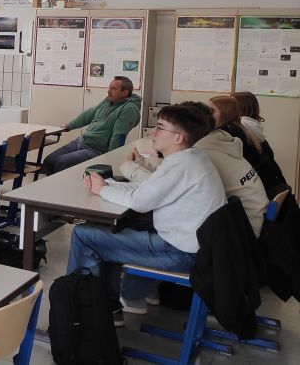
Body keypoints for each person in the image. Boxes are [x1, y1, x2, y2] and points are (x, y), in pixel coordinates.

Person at [67, 103, 226, 324]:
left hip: (178, 253)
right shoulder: (192, 157)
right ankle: (110, 305)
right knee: (111, 230)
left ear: (178, 137)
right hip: (194, 248)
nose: (153, 132)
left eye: (160, 128)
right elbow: (150, 188)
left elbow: (140, 202)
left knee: (84, 235)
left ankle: (83, 312)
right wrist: (108, 185)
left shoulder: (181, 164)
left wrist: (102, 190)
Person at [121, 102, 267, 237]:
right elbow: (170, 176)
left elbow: (160, 186)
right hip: (243, 221)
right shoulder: (217, 141)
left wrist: (131, 169)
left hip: (239, 233)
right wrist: (142, 163)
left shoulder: (205, 154)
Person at [42, 76, 141, 174]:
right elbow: (90, 114)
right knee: (49, 161)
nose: (108, 91)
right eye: (109, 87)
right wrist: (69, 125)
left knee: (61, 162)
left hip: (97, 150)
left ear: (125, 93)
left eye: (113, 89)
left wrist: (110, 158)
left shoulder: (129, 109)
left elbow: (119, 136)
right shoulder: (109, 100)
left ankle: (62, 183)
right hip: (82, 141)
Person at [209, 94, 286, 194]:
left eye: (211, 110)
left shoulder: (228, 131)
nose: (207, 114)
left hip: (253, 188)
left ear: (225, 111)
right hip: (265, 183)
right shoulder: (239, 126)